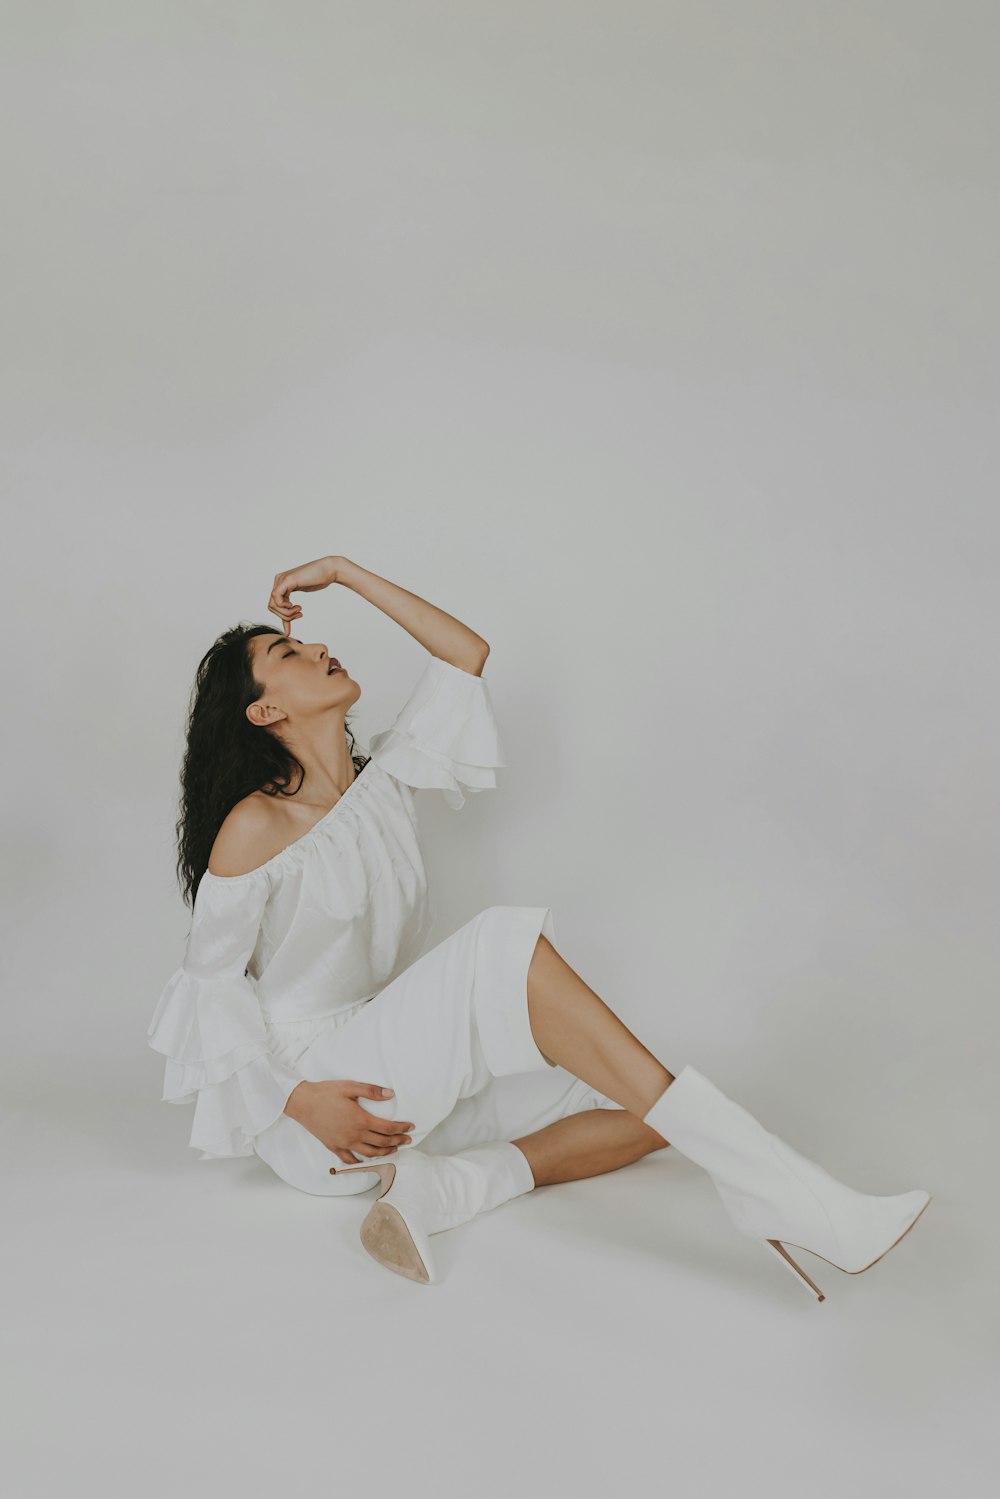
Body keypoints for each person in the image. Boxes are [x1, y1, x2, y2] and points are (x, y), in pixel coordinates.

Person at [148, 553, 931, 1297]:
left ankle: (449, 1184)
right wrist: (298, 1102)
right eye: (287, 651)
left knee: (635, 1102)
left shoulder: (381, 783)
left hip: (390, 1071)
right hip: (321, 1107)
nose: (316, 644)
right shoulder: (257, 824)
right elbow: (208, 989)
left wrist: (345, 572)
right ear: (265, 710)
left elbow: (466, 652)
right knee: (501, 945)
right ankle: (793, 1196)